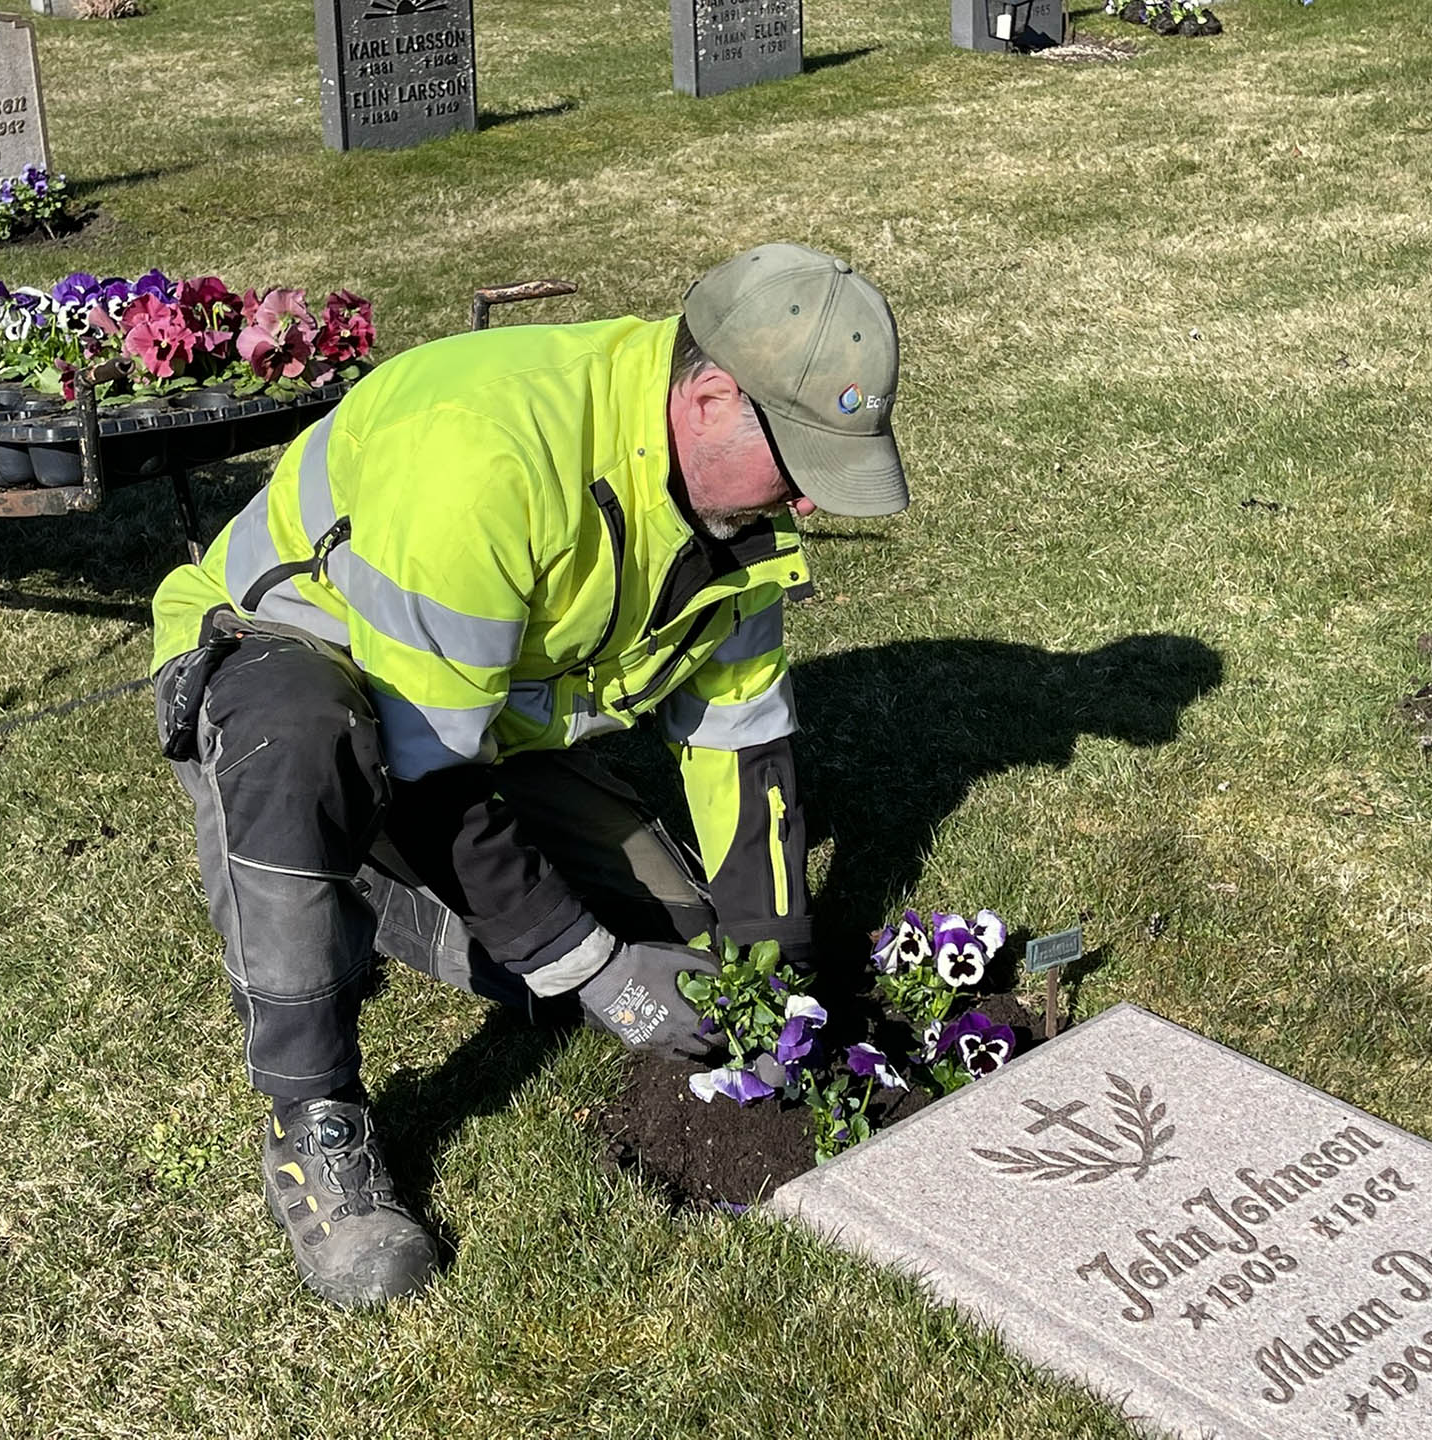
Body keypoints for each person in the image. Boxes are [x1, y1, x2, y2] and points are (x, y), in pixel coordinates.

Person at [149, 242, 908, 1307]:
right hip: (288, 663)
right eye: (799, 466)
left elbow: (747, 749)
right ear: (708, 396)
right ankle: (313, 1118)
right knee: (305, 748)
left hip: (473, 727)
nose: (812, 507)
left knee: (673, 934)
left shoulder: (736, 519)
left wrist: (769, 967)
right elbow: (428, 771)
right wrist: (591, 970)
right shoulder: (488, 458)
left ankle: (380, 883)